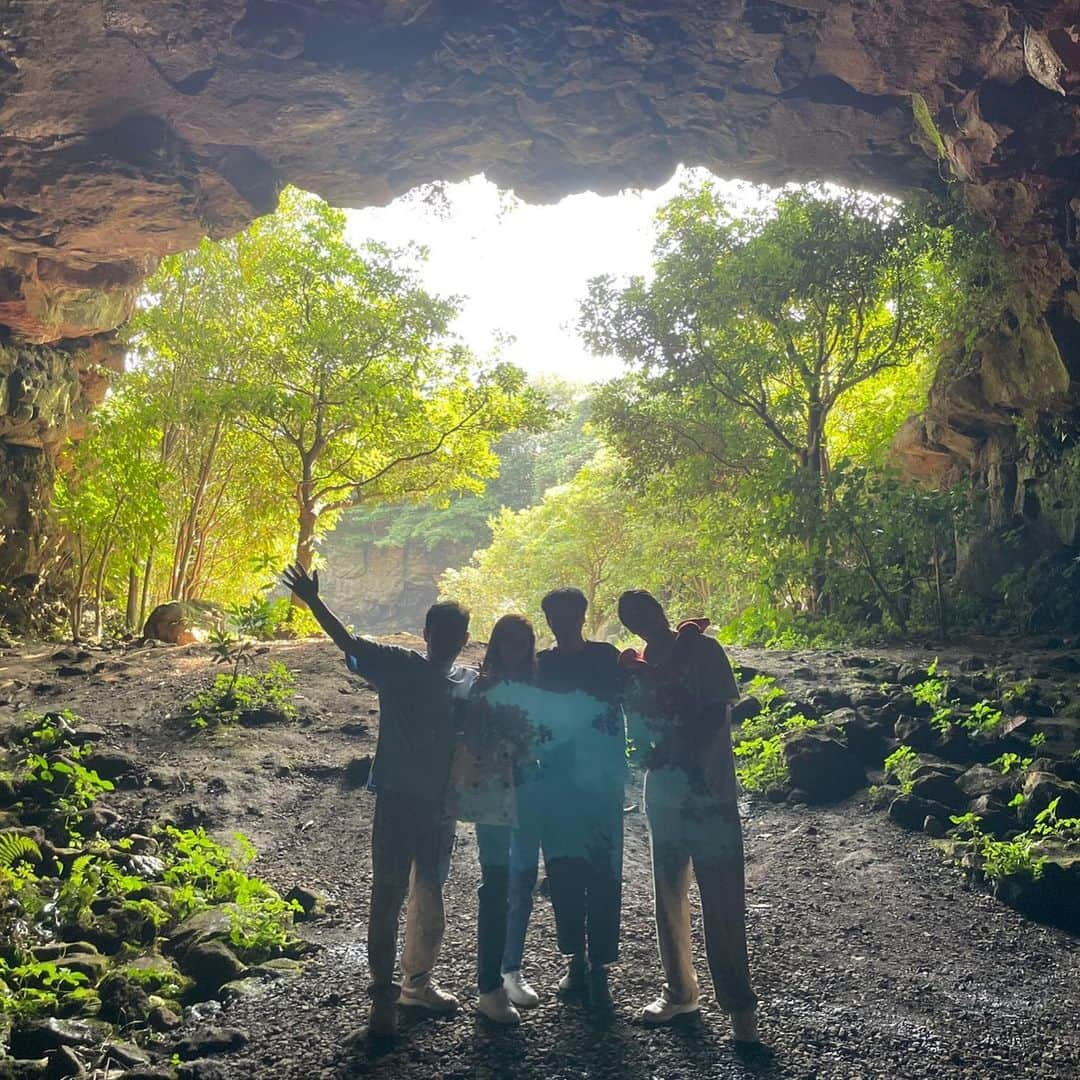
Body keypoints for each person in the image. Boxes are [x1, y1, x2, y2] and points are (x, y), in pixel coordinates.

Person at [281, 563, 475, 1040]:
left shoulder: (468, 683)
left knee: (428, 899)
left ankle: (417, 986)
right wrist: (314, 602)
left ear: (464, 636)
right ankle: (382, 998)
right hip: (398, 800)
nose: (448, 637)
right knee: (388, 896)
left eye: (457, 631)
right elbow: (347, 643)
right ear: (427, 632)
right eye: (442, 629)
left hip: (438, 808)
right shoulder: (400, 665)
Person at [617, 589, 759, 1042]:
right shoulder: (635, 668)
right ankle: (681, 993)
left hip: (707, 788)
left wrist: (678, 751)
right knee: (668, 894)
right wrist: (646, 751)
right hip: (664, 791)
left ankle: (740, 1010)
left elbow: (717, 713)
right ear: (631, 625)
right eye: (633, 617)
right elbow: (635, 731)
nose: (644, 621)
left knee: (722, 898)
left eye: (647, 610)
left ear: (660, 610)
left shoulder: (700, 648)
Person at [533, 587, 626, 1011]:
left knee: (603, 872)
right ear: (549, 620)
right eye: (556, 616)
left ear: (582, 616)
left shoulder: (606, 657)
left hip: (600, 783)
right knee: (565, 872)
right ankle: (576, 960)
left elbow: (625, 703)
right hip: (556, 784)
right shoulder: (542, 664)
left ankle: (601, 967)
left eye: (569, 615)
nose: (563, 622)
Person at [447, 614, 540, 1025]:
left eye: (522, 642)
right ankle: (488, 987)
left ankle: (509, 971)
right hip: (494, 799)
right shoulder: (480, 687)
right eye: (507, 642)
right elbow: (470, 739)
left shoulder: (537, 686)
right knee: (498, 885)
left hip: (531, 793)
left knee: (521, 881)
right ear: (496, 645)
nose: (514, 650)